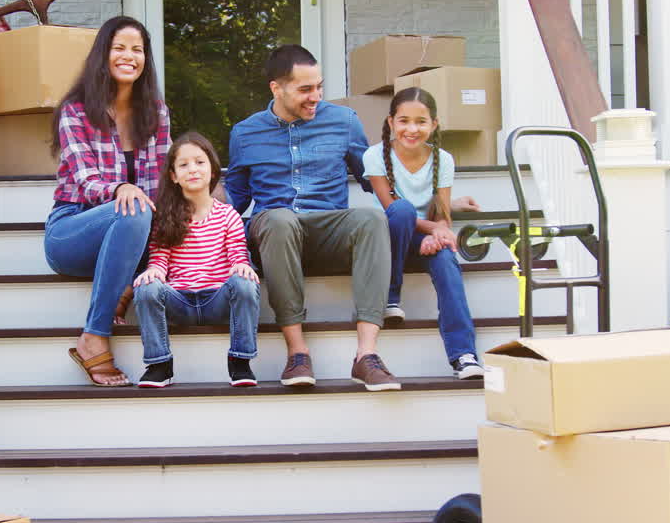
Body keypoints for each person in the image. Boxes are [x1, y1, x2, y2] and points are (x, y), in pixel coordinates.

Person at [223, 45, 402, 391]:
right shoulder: (245, 133)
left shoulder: (343, 122)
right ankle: (297, 353)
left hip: (328, 227)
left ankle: (366, 355)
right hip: (275, 233)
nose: (316, 96)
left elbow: (372, 178)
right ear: (277, 88)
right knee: (278, 219)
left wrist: (428, 197)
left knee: (371, 219)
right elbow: (235, 200)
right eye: (305, 89)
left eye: (319, 86)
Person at [43, 16, 170, 387]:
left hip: (135, 230)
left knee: (161, 216)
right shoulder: (76, 111)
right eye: (119, 48)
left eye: (137, 49)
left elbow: (163, 182)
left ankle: (127, 282)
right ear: (103, 55)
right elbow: (85, 180)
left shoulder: (157, 113)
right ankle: (94, 335)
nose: (129, 56)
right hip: (73, 229)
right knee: (135, 209)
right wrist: (120, 189)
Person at [365, 87, 483, 379]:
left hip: (424, 238)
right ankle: (390, 297)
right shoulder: (374, 156)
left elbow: (441, 213)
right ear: (391, 122)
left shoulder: (443, 159)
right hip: (393, 236)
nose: (412, 129)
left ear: (434, 125)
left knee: (446, 260)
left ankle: (463, 354)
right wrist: (437, 229)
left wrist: (438, 234)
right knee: (403, 211)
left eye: (421, 121)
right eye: (404, 120)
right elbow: (392, 207)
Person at [132, 132, 261, 388]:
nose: (192, 169)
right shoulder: (166, 218)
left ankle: (240, 361)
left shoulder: (228, 216)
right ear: (173, 176)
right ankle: (159, 365)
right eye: (184, 165)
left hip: (217, 299)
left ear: (213, 170)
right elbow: (159, 259)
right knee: (146, 287)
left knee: (245, 282)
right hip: (179, 301)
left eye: (200, 162)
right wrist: (153, 271)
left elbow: (237, 252)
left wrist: (241, 265)